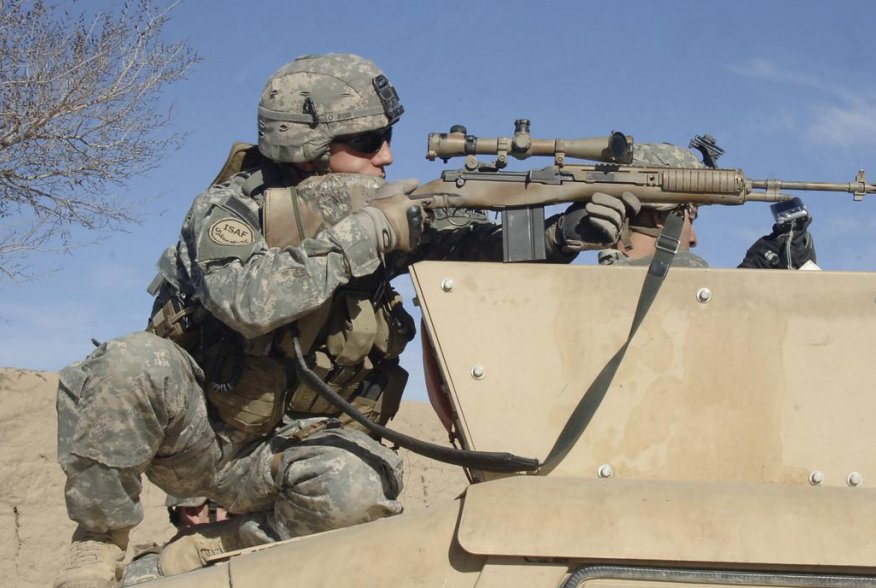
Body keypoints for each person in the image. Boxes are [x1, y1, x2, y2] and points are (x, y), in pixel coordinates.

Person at [53, 53, 637, 587]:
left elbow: (475, 245)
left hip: (295, 452)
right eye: (368, 141)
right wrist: (369, 233)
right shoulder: (232, 209)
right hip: (199, 439)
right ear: (305, 146)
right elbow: (246, 302)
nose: (386, 156)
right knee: (127, 363)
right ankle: (99, 545)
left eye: (387, 139)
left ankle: (199, 555)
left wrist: (562, 236)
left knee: (357, 491)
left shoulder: (383, 210)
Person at [596, 143, 816, 269]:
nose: (693, 239)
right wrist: (756, 277)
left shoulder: (593, 282)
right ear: (661, 217)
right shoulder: (683, 269)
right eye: (690, 218)